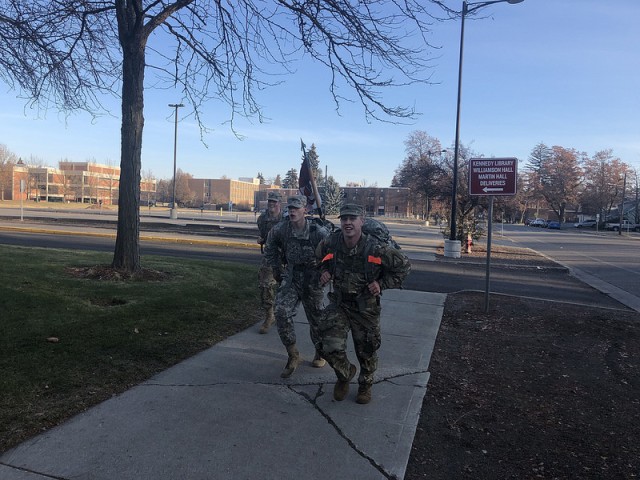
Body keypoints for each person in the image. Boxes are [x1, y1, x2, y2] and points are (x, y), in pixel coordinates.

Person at [316, 204, 411, 404]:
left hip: (365, 306)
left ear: (362, 221)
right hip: (340, 303)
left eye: (353, 218)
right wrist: (324, 271)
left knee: (367, 349)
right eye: (344, 219)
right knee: (326, 345)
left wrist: (381, 284)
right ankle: (344, 374)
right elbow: (320, 258)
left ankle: (365, 384)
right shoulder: (332, 243)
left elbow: (404, 267)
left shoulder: (376, 248)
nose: (348, 223)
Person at [264, 195, 330, 378]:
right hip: (292, 277)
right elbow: (269, 247)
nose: (292, 211)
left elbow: (333, 252)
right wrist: (276, 268)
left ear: (305, 211)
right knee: (281, 312)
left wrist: (327, 271)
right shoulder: (282, 229)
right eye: (290, 208)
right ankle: (293, 355)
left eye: (296, 208)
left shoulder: (318, 232)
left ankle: (320, 351)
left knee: (316, 318)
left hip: (313, 278)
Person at [256, 190, 284, 334]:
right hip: (270, 256)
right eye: (270, 201)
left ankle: (284, 316)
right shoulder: (262, 219)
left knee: (287, 288)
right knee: (265, 285)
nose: (272, 204)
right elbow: (264, 235)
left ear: (280, 203)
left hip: (286, 257)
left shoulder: (287, 218)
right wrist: (262, 240)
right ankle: (269, 316)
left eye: (275, 201)